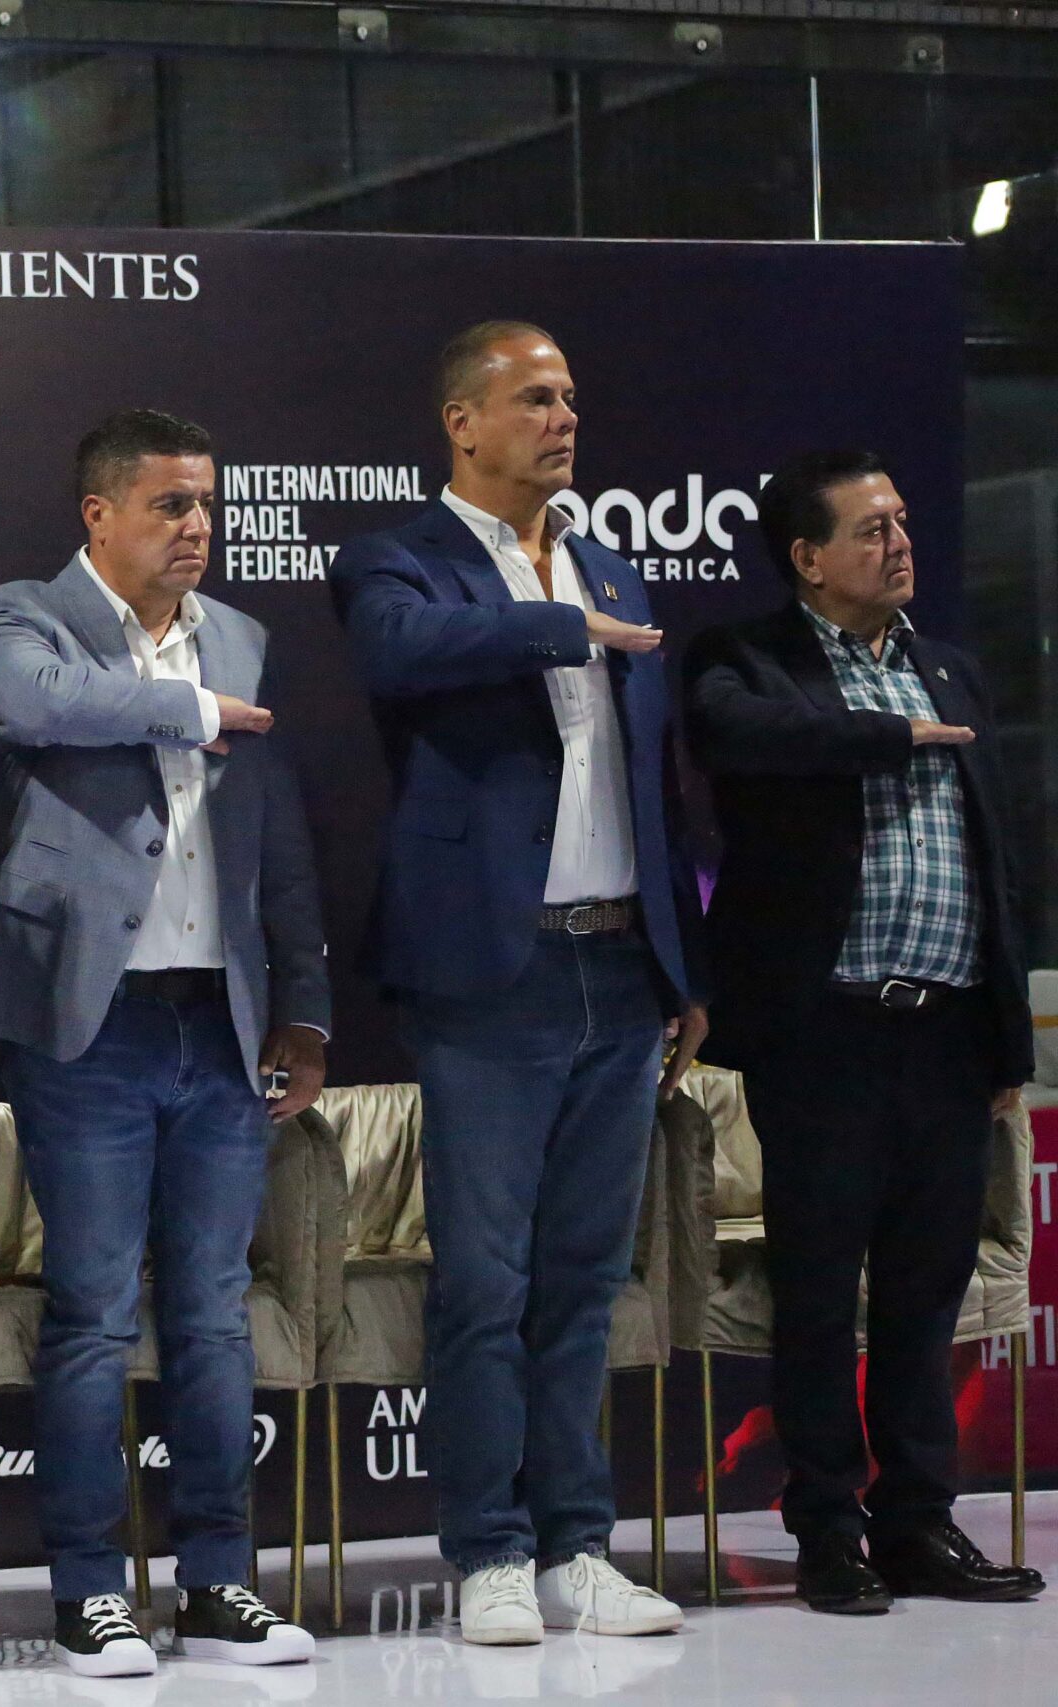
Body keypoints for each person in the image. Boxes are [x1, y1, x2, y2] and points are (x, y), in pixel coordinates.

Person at [328, 322, 703, 1644]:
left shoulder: (612, 565)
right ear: (463, 421)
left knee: (584, 1277)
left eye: (570, 397)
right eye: (535, 397)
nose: (562, 418)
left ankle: (576, 1545)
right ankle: (486, 1546)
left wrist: (678, 961)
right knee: (483, 1277)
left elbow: (655, 784)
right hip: (492, 970)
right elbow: (399, 655)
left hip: (619, 960)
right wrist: (558, 623)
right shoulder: (396, 559)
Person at [0, 410, 327, 1672]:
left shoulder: (240, 635)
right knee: (95, 1309)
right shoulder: (21, 617)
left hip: (218, 1019)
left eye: (206, 503)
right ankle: (87, 1587)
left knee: (215, 1312)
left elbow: (274, 835)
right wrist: (187, 706)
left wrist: (305, 1005)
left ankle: (217, 1578)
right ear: (99, 514)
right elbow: (35, 706)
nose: (196, 526)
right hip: (90, 1024)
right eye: (170, 504)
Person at [681, 451, 1041, 1614]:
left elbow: (994, 860)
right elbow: (744, 740)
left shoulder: (950, 669)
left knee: (926, 1291)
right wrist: (894, 737)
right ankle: (828, 1526)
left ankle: (919, 1521)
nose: (899, 543)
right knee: (819, 1288)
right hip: (823, 1034)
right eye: (871, 530)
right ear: (806, 558)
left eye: (899, 522)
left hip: (946, 1033)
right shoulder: (747, 662)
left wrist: (1006, 1042)